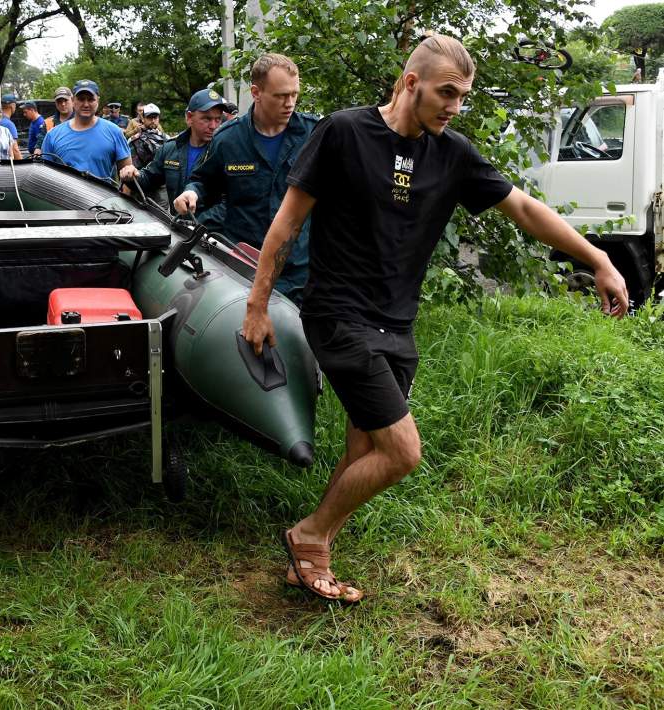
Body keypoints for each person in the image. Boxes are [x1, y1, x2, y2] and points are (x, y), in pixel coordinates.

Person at [241, 35, 629, 604]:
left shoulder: (452, 153)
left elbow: (522, 207)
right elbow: (288, 221)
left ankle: (314, 553)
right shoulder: (345, 132)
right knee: (402, 452)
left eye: (463, 96)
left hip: (397, 323)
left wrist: (597, 258)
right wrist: (257, 304)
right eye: (447, 92)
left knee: (365, 451)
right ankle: (309, 537)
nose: (455, 105)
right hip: (339, 317)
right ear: (409, 82)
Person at [173, 54, 318, 301]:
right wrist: (192, 192)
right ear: (256, 92)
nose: (290, 103)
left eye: (294, 94)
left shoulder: (314, 134)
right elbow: (204, 181)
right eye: (281, 95)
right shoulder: (228, 139)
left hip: (299, 271)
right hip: (243, 268)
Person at [131, 90, 226, 227]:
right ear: (189, 117)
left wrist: (198, 224)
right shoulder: (170, 148)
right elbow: (149, 179)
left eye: (218, 119)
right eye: (206, 119)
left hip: (213, 237)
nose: (213, 126)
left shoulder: (224, 151)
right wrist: (133, 175)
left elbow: (232, 201)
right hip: (178, 232)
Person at [41, 80, 137, 182]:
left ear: (98, 101)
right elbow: (45, 178)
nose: (86, 104)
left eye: (91, 99)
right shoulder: (53, 135)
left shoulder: (114, 132)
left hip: (102, 196)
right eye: (81, 99)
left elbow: (128, 176)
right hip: (64, 197)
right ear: (73, 100)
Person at [127, 103, 166, 169]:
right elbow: (132, 166)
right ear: (143, 119)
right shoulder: (134, 140)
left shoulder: (166, 138)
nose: (153, 121)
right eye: (149, 117)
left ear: (158, 119)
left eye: (155, 117)